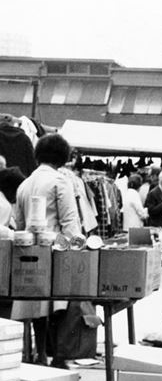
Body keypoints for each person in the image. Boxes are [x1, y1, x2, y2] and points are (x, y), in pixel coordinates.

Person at [11, 134, 83, 365]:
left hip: (28, 253)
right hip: (55, 251)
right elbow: (71, 225)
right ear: (63, 157)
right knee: (58, 304)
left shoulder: (24, 184)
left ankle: (39, 353)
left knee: (35, 305)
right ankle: (58, 356)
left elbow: (19, 226)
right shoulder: (60, 181)